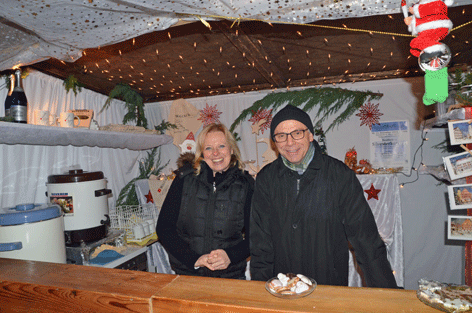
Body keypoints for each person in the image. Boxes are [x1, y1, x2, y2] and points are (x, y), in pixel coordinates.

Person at [249, 104, 398, 288]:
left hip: (328, 287)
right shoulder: (266, 179)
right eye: (281, 136)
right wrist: (260, 294)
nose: (289, 142)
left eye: (297, 133)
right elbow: (260, 245)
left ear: (310, 135)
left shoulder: (339, 175)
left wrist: (387, 294)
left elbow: (366, 240)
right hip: (283, 288)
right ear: (274, 142)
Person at [157, 123, 254, 279]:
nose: (215, 153)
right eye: (208, 148)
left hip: (230, 278)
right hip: (188, 276)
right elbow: (164, 228)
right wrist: (194, 259)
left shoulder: (246, 185)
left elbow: (257, 235)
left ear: (231, 149)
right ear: (201, 152)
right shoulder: (184, 180)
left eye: (221, 146)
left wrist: (230, 255)